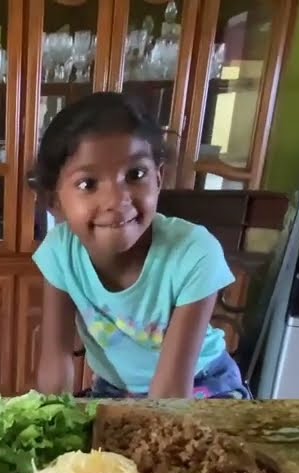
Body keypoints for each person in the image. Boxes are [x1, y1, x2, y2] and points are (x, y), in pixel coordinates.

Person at [31, 92, 248, 399]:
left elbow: (172, 390)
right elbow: (55, 362)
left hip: (203, 386)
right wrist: (47, 424)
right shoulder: (60, 253)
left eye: (135, 175)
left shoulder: (194, 253)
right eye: (88, 184)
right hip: (115, 388)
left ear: (158, 179)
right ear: (54, 200)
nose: (117, 201)